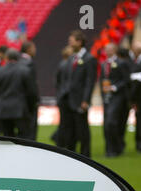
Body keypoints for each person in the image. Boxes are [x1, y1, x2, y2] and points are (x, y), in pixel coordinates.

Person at [57, 30, 97, 158]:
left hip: (80, 100)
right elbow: (66, 79)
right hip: (67, 99)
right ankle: (71, 155)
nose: (69, 42)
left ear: (79, 42)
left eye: (72, 40)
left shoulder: (89, 59)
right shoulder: (71, 58)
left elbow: (89, 82)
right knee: (69, 129)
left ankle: (85, 155)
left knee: (82, 129)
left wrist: (86, 100)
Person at [0, 49, 36, 139]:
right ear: (18, 58)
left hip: (3, 110)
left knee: (7, 138)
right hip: (20, 110)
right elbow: (31, 92)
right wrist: (30, 108)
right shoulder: (25, 71)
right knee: (25, 138)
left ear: (6, 58)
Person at [99, 43, 130, 157]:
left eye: (110, 49)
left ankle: (116, 147)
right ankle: (110, 149)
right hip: (107, 97)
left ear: (115, 50)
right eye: (106, 49)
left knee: (111, 122)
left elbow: (126, 80)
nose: (107, 51)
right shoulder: (103, 64)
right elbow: (102, 79)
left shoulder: (122, 63)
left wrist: (114, 87)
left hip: (118, 97)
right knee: (106, 124)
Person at [19, 41, 39, 140]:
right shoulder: (29, 63)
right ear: (28, 49)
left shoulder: (17, 61)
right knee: (30, 131)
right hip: (28, 103)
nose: (35, 50)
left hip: (18, 102)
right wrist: (35, 100)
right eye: (34, 48)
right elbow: (31, 86)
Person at [53, 45, 73, 145]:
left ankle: (59, 139)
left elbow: (57, 82)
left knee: (64, 122)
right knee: (66, 123)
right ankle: (60, 141)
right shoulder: (66, 65)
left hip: (61, 96)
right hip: (65, 97)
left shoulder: (61, 64)